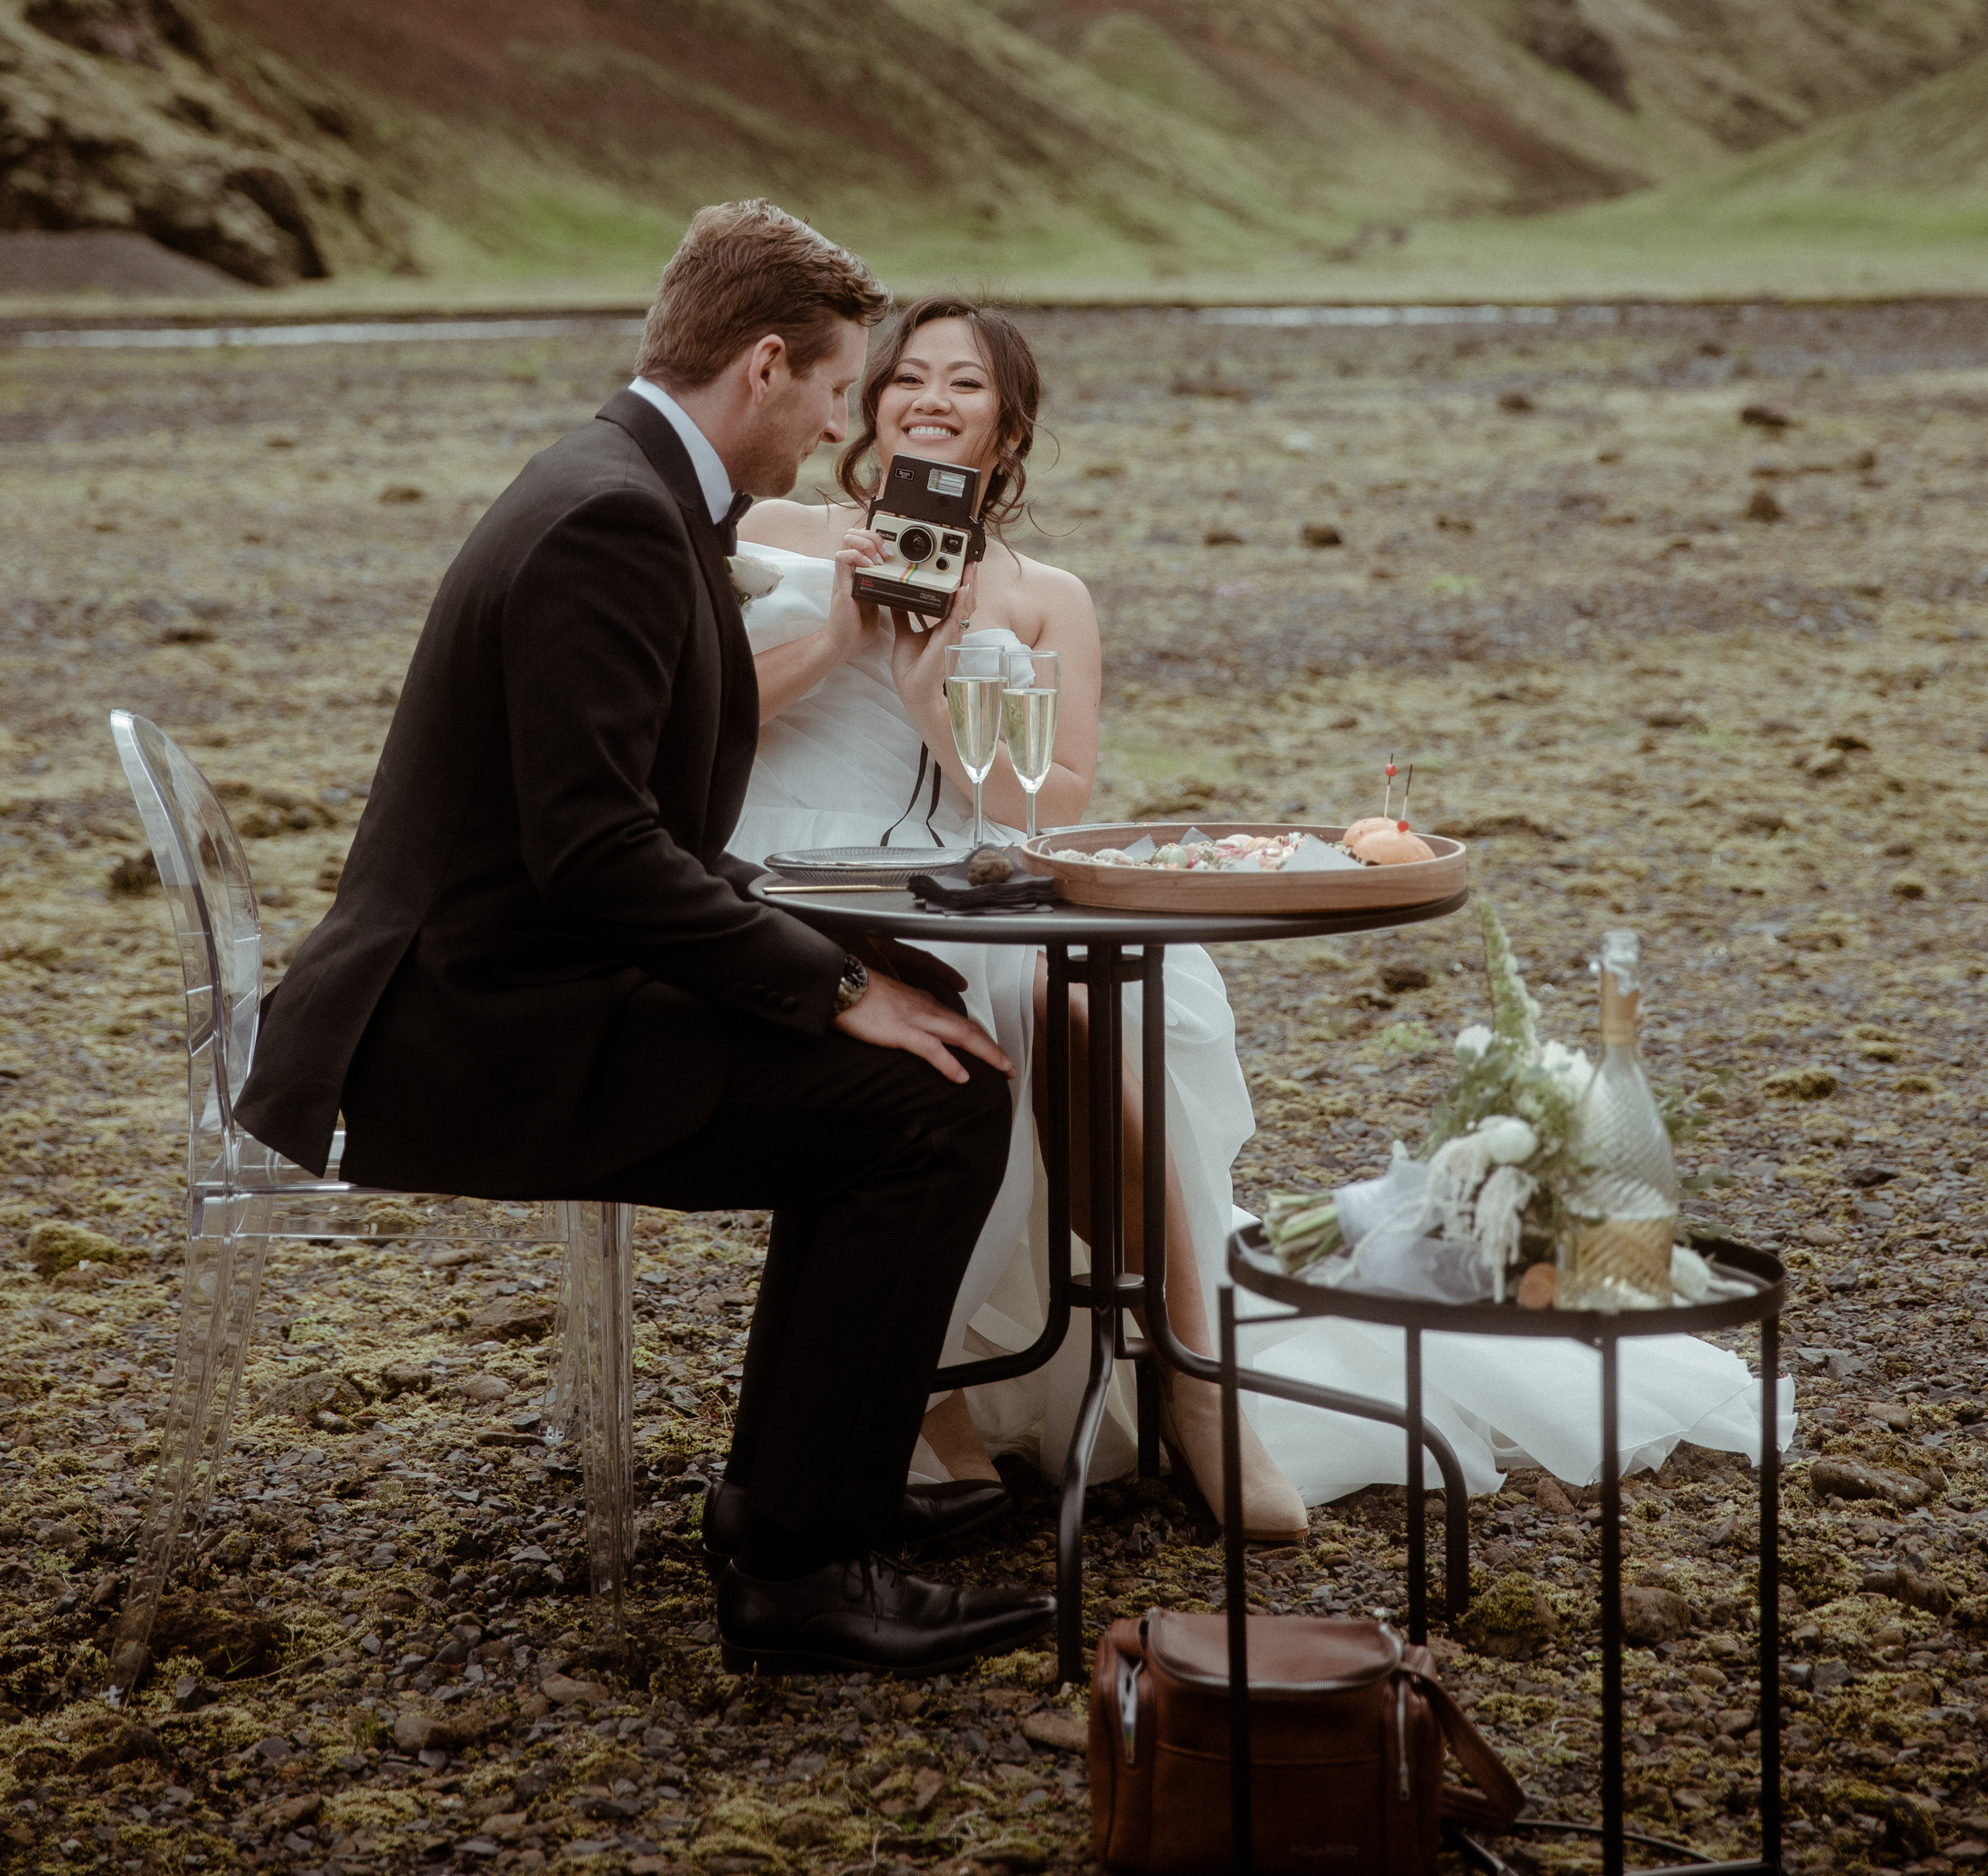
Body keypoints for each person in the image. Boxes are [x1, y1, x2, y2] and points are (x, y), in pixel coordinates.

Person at [237, 203, 1054, 1677]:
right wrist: (832, 985)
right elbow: (599, 852)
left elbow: (623, 840)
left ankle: (805, 1494)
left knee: (924, 1019)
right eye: (831, 389)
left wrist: (860, 968)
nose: (836, 427)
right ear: (762, 366)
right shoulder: (611, 518)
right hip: (476, 1027)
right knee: (930, 1105)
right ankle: (800, 1569)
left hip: (531, 973)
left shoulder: (619, 482)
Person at [731, 296, 1311, 1540]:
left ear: (1009, 426)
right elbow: (707, 718)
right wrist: (840, 633)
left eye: (966, 383)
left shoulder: (1049, 593)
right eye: (909, 377)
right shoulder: (775, 530)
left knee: (1075, 995)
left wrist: (931, 696)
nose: (931, 399)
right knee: (997, 1003)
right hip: (791, 877)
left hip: (967, 869)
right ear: (870, 402)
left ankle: (1193, 1374)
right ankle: (927, 1390)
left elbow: (1053, 808)